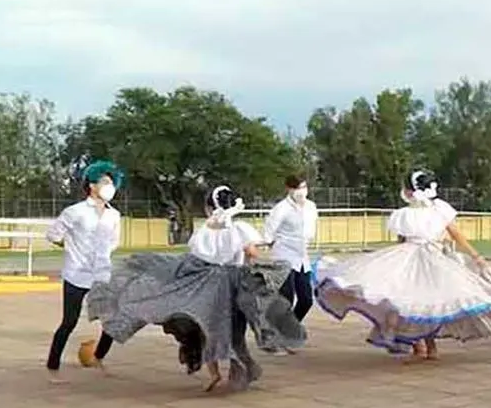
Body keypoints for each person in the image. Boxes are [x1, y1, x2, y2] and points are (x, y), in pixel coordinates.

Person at [90, 185, 305, 392]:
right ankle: (238, 369)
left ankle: (214, 373)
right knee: (233, 330)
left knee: (206, 327)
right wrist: (262, 265)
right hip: (233, 283)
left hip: (207, 284)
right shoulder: (239, 229)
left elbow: (196, 258)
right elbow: (251, 253)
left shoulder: (204, 231)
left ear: (210, 207)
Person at [316, 170, 491, 359]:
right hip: (425, 257)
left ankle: (422, 347)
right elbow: (451, 234)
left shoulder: (417, 212)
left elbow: (410, 239)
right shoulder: (426, 211)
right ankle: (425, 347)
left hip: (421, 258)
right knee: (423, 302)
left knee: (415, 302)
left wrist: (475, 256)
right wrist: (475, 255)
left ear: (412, 191)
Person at [45, 160, 124, 381]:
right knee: (69, 322)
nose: (110, 187)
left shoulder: (114, 215)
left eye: (112, 182)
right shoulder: (75, 212)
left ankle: (98, 358)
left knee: (112, 320)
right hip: (76, 274)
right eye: (105, 182)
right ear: (91, 185)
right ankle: (53, 367)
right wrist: (70, 247)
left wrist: (102, 254)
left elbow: (114, 242)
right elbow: (53, 234)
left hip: (102, 273)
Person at [263, 174, 319, 332]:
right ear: (288, 189)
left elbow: (310, 229)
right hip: (284, 255)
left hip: (302, 257)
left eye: (304, 187)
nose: (302, 191)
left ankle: (287, 328)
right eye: (297, 188)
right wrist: (270, 242)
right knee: (286, 297)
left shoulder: (311, 206)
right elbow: (268, 231)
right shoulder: (281, 208)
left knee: (306, 299)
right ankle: (281, 333)